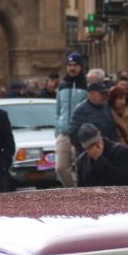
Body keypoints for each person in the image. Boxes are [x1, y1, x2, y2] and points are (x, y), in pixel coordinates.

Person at [53, 52, 88, 186]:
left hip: (80, 133)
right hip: (63, 133)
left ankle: (82, 194)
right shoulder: (62, 86)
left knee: (81, 168)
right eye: (69, 65)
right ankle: (71, 190)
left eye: (75, 65)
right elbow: (58, 109)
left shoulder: (85, 85)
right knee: (60, 168)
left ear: (80, 67)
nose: (72, 68)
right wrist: (57, 129)